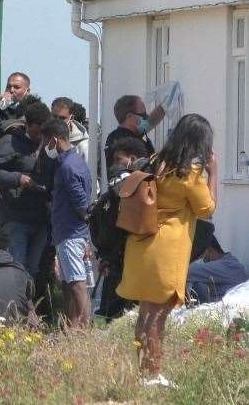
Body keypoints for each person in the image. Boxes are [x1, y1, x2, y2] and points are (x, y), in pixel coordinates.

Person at [116, 114, 217, 386]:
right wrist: (214, 173)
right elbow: (206, 209)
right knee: (159, 314)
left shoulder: (157, 160)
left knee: (146, 312)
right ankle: (153, 374)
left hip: (142, 242)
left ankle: (142, 372)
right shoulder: (190, 173)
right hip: (168, 248)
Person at [0, 101, 52, 276]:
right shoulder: (9, 143)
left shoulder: (48, 143)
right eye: (36, 132)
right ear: (26, 125)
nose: (39, 138)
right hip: (15, 217)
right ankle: (15, 303)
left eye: (43, 133)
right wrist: (18, 178)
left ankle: (28, 302)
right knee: (17, 267)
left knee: (34, 270)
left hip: (41, 216)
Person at [90, 138, 149, 321]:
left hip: (137, 262)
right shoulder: (111, 197)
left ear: (132, 158)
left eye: (118, 160)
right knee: (111, 314)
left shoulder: (147, 184)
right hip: (114, 263)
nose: (114, 166)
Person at [41, 118, 93, 329]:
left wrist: (83, 227)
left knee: (76, 284)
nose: (46, 147)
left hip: (71, 233)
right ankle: (73, 327)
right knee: (71, 283)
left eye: (46, 142)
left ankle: (83, 329)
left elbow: (81, 203)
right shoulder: (76, 161)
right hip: (73, 232)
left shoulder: (66, 166)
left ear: (54, 139)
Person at [104, 95, 166, 174]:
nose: (146, 117)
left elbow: (152, 121)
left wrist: (165, 106)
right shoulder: (120, 140)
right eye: (143, 115)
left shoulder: (132, 135)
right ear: (129, 116)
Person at [187, 231, 248, 304]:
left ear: (209, 250)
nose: (203, 261)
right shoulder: (231, 264)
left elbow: (188, 272)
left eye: (200, 256)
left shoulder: (229, 266)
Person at [51, 97, 89, 162]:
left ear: (71, 118)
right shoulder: (45, 138)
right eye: (54, 117)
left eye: (62, 118)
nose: (57, 122)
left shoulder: (82, 146)